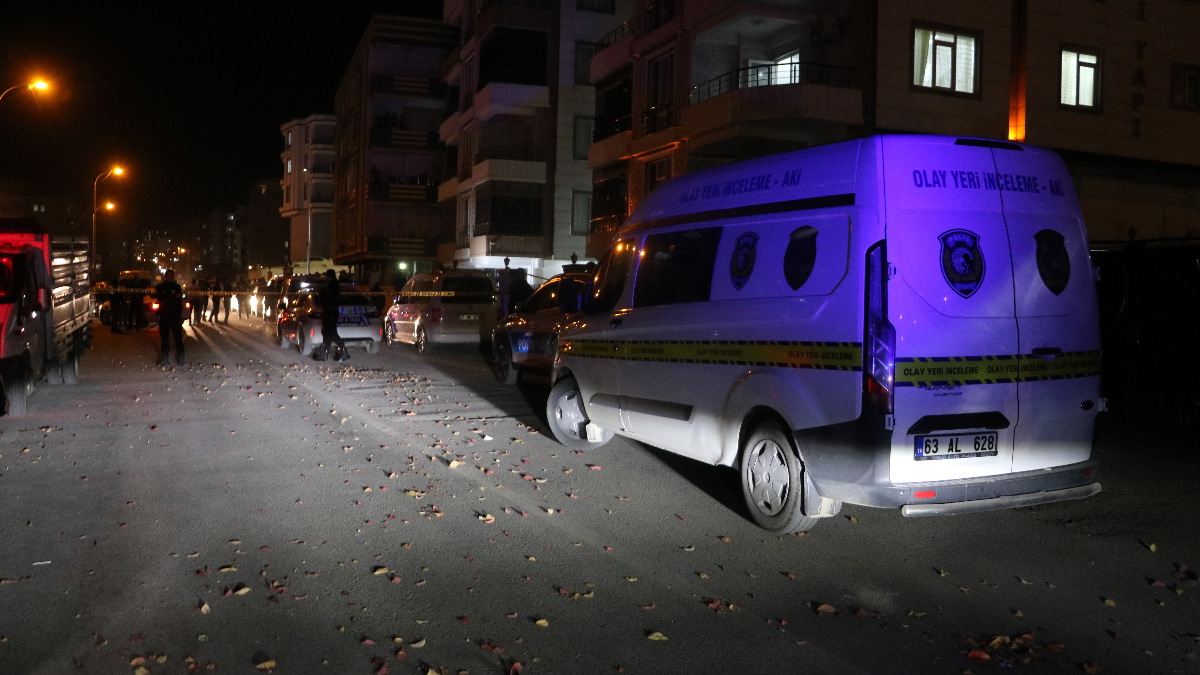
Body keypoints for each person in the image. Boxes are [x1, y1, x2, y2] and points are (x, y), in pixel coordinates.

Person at [316, 269, 348, 362]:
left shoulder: (332, 285)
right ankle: (341, 352)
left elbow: (327, 297)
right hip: (330, 311)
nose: (325, 277)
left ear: (329, 276)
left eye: (327, 276)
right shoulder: (332, 285)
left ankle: (326, 354)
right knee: (331, 334)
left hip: (331, 312)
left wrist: (322, 293)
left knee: (329, 333)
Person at [156, 269, 186, 366]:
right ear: (165, 276)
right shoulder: (160, 287)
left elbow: (179, 299)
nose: (170, 277)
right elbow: (160, 298)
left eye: (172, 275)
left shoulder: (177, 287)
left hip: (175, 316)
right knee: (164, 338)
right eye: (169, 275)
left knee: (178, 337)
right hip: (164, 315)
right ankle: (165, 358)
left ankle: (181, 357)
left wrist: (170, 298)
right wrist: (172, 297)